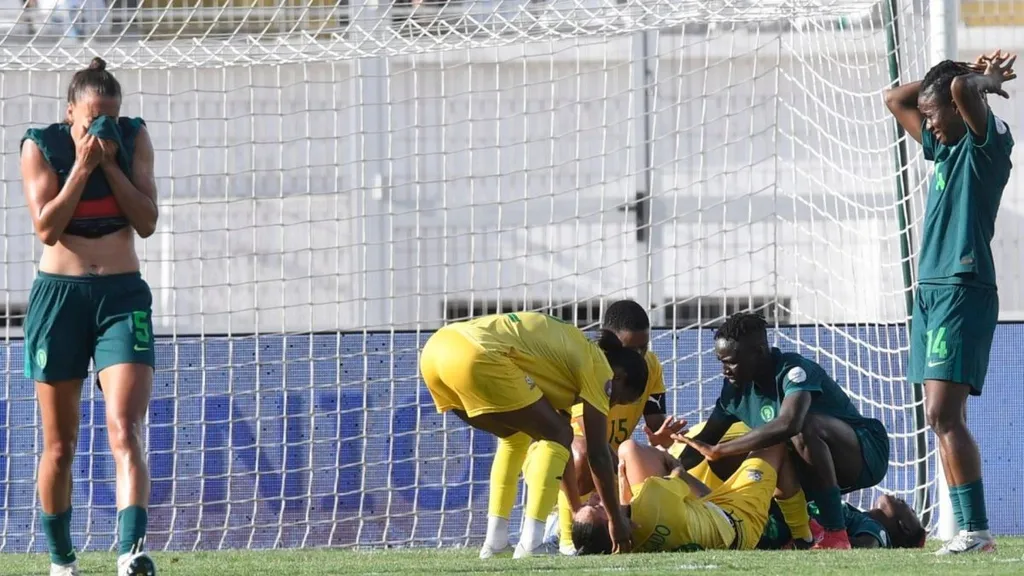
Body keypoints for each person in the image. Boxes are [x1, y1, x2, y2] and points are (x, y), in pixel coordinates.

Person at [20, 57, 159, 576]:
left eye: (109, 118)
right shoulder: (41, 145)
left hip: (121, 296)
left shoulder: (132, 139)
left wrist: (111, 164)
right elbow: (47, 228)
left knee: (125, 426)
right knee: (60, 445)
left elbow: (145, 220)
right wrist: (81, 165)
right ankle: (61, 560)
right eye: (90, 119)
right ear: (70, 112)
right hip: (60, 298)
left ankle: (130, 553)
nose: (100, 128)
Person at [884, 50, 1016, 555]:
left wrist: (973, 82)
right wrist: (948, 77)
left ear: (960, 111)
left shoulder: (986, 143)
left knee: (944, 412)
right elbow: (895, 98)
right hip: (931, 292)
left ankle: (978, 530)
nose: (930, 125)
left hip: (963, 287)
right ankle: (966, 530)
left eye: (934, 116)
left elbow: (960, 95)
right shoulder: (944, 149)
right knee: (936, 416)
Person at [419, 311, 648, 557]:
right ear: (619, 377)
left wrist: (575, 510)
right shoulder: (600, 369)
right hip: (476, 353)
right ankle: (531, 544)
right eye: (619, 399)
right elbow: (598, 454)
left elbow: (564, 454)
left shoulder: (562, 365)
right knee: (558, 434)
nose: (611, 405)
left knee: (516, 436)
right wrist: (616, 520)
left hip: (435, 353)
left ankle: (495, 543)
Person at [675, 312, 890, 550]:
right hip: (812, 466)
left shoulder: (793, 370)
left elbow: (790, 422)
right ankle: (803, 528)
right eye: (721, 362)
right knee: (725, 460)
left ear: (759, 351)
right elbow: (705, 441)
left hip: (864, 454)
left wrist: (720, 449)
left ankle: (835, 534)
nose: (725, 370)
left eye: (731, 361)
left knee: (801, 428)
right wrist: (667, 468)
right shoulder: (734, 391)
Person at [541, 300, 682, 555]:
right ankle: (564, 533)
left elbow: (655, 423)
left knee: (678, 459)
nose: (639, 356)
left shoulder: (650, 366)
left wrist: (663, 438)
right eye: (632, 349)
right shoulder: (589, 366)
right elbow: (588, 445)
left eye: (644, 347)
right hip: (567, 459)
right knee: (581, 453)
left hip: (611, 462)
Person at [571, 436, 801, 553]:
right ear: (615, 529)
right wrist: (669, 456)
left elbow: (629, 511)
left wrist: (623, 482)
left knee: (628, 451)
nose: (593, 498)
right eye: (598, 508)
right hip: (737, 522)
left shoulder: (623, 548)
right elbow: (678, 473)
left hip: (696, 517)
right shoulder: (655, 498)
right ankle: (804, 535)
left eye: (586, 504)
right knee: (776, 444)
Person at [757, 494, 926, 550]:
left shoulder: (876, 529)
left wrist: (817, 534)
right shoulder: (861, 517)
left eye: (911, 510)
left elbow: (868, 545)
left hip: (785, 528)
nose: (904, 500)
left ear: (905, 528)